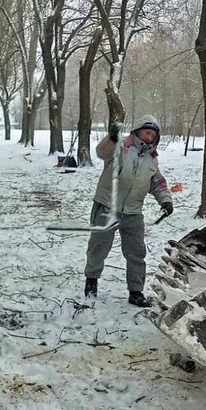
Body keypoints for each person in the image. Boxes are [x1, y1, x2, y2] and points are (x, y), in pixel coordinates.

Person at [84, 115, 174, 307]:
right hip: (107, 207)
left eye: (153, 134)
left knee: (136, 253)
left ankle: (136, 292)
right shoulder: (120, 147)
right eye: (147, 132)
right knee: (98, 247)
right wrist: (111, 137)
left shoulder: (151, 158)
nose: (149, 137)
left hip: (133, 212)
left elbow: (157, 183)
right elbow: (101, 152)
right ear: (137, 130)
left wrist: (165, 200)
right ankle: (91, 281)